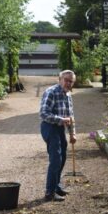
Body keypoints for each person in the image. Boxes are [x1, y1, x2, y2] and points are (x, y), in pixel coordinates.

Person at [39, 70, 77, 201]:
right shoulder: (51, 92)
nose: (68, 83)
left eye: (71, 81)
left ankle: (57, 186)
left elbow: (70, 117)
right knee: (55, 160)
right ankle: (49, 192)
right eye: (66, 80)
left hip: (60, 129)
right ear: (60, 79)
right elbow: (43, 114)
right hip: (49, 127)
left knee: (62, 158)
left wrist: (72, 133)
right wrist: (61, 119)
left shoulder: (68, 95)